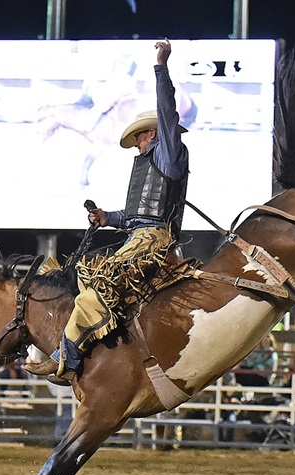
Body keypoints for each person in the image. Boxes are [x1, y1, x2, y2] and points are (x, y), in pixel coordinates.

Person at [28, 38, 189, 381]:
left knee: (99, 284)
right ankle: (75, 351)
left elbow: (168, 110)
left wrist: (161, 67)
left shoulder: (168, 153)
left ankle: (65, 355)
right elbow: (136, 216)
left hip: (152, 240)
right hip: (138, 235)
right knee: (86, 277)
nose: (137, 144)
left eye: (139, 138)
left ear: (153, 133)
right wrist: (107, 218)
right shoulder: (151, 162)